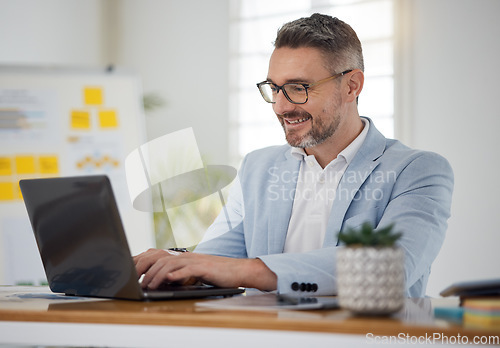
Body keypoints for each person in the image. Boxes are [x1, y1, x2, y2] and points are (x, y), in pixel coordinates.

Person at [134, 13, 453, 297]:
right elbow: (218, 260)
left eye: (299, 87)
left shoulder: (417, 171)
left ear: (352, 86)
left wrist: (249, 271)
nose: (282, 106)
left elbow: (389, 270)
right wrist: (174, 263)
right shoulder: (258, 167)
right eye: (274, 88)